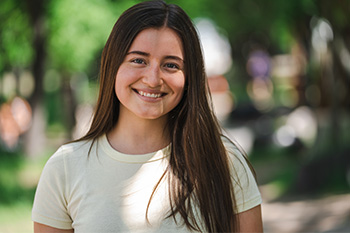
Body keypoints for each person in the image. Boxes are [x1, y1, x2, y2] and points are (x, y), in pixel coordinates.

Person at [32, 1, 263, 232]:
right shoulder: (64, 168)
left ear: (189, 77)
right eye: (138, 60)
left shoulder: (223, 161)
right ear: (113, 65)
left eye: (171, 65)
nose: (153, 79)